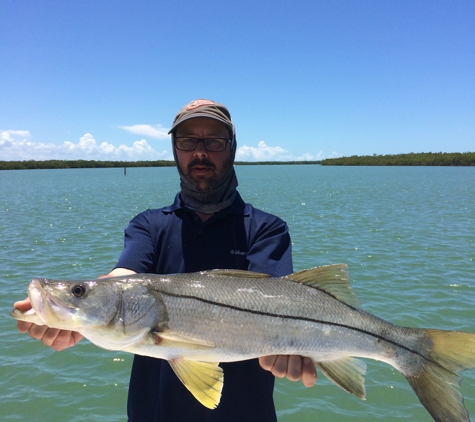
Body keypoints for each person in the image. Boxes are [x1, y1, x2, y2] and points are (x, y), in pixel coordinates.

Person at [14, 99, 317, 421]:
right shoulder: (149, 224)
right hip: (154, 411)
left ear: (232, 149)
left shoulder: (266, 228)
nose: (200, 152)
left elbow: (280, 300)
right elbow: (123, 277)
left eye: (214, 140)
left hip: (246, 412)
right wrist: (80, 310)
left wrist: (296, 349)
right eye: (188, 141)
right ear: (175, 149)